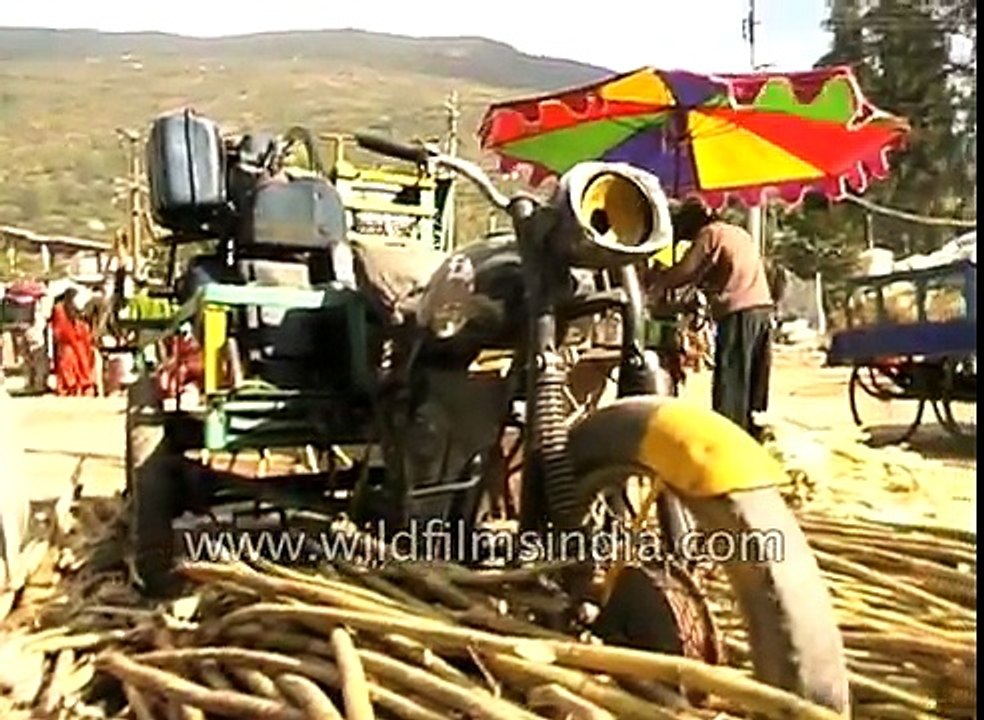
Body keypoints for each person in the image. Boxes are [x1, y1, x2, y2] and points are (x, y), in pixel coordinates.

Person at [647, 201, 775, 439]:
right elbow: (704, 273)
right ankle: (752, 435)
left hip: (739, 313)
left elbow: (685, 271)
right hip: (762, 311)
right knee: (752, 384)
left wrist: (659, 281)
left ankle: (727, 438)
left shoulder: (710, 234)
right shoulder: (737, 233)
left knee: (731, 382)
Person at [50, 287, 97, 397]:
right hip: (70, 342)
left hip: (75, 342)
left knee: (76, 364)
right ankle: (72, 387)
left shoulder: (70, 309)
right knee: (71, 365)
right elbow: (61, 327)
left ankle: (76, 387)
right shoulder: (61, 309)